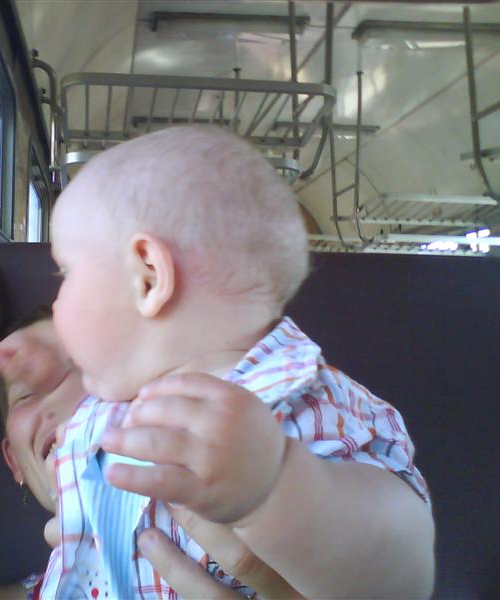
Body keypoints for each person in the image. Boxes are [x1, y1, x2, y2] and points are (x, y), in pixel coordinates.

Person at [45, 125, 435, 598]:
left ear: (147, 277)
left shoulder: (308, 408)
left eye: (64, 271)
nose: (54, 303)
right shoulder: (104, 411)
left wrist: (275, 486)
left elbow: (404, 578)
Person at [0, 310, 304, 599]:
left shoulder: (260, 500)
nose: (60, 398)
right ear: (14, 461)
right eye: (24, 397)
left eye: (83, 370)